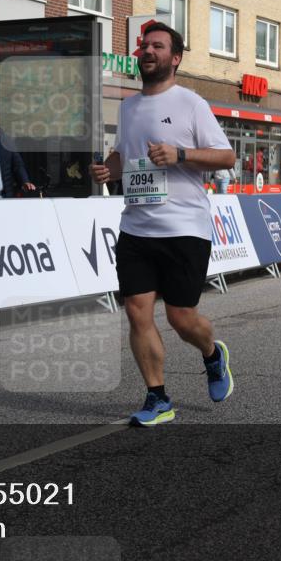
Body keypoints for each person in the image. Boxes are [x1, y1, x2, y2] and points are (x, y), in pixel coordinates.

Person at [89, 22, 236, 427]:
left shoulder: (191, 103)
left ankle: (212, 354)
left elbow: (226, 158)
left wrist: (181, 154)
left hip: (185, 226)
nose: (148, 51)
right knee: (137, 313)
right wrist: (108, 169)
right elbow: (123, 154)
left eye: (157, 46)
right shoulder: (129, 106)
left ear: (175, 58)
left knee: (181, 317)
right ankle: (157, 398)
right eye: (144, 46)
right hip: (136, 226)